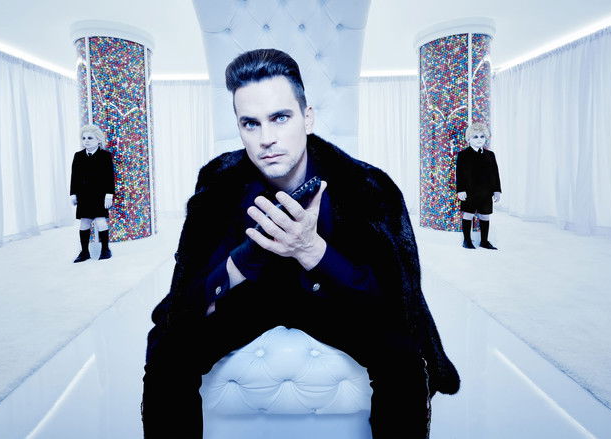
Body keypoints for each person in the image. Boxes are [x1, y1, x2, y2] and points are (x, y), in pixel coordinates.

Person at [141, 49, 459, 438]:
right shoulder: (220, 182)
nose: (266, 139)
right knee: (167, 347)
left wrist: (311, 249)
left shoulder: (366, 187)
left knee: (402, 354)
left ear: (307, 118)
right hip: (252, 297)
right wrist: (243, 261)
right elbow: (185, 297)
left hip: (333, 299)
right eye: (250, 124)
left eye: (280, 117)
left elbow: (395, 301)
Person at [69, 124, 115, 262]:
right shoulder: (78, 156)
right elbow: (74, 177)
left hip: (99, 195)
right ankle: (84, 252)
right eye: (84, 138)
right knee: (84, 222)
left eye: (90, 138)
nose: (86, 141)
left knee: (101, 221)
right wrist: (73, 194)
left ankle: (105, 249)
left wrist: (109, 195)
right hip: (84, 195)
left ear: (98, 140)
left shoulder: (105, 156)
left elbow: (109, 177)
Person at [455, 122, 502, 250]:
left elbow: (495, 174)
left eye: (482, 136)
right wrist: (460, 190)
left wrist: (497, 190)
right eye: (475, 137)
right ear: (469, 139)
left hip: (486, 191)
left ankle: (484, 241)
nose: (479, 139)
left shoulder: (490, 155)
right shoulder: (463, 155)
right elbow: (459, 174)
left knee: (485, 215)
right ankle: (467, 240)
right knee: (468, 214)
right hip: (469, 191)